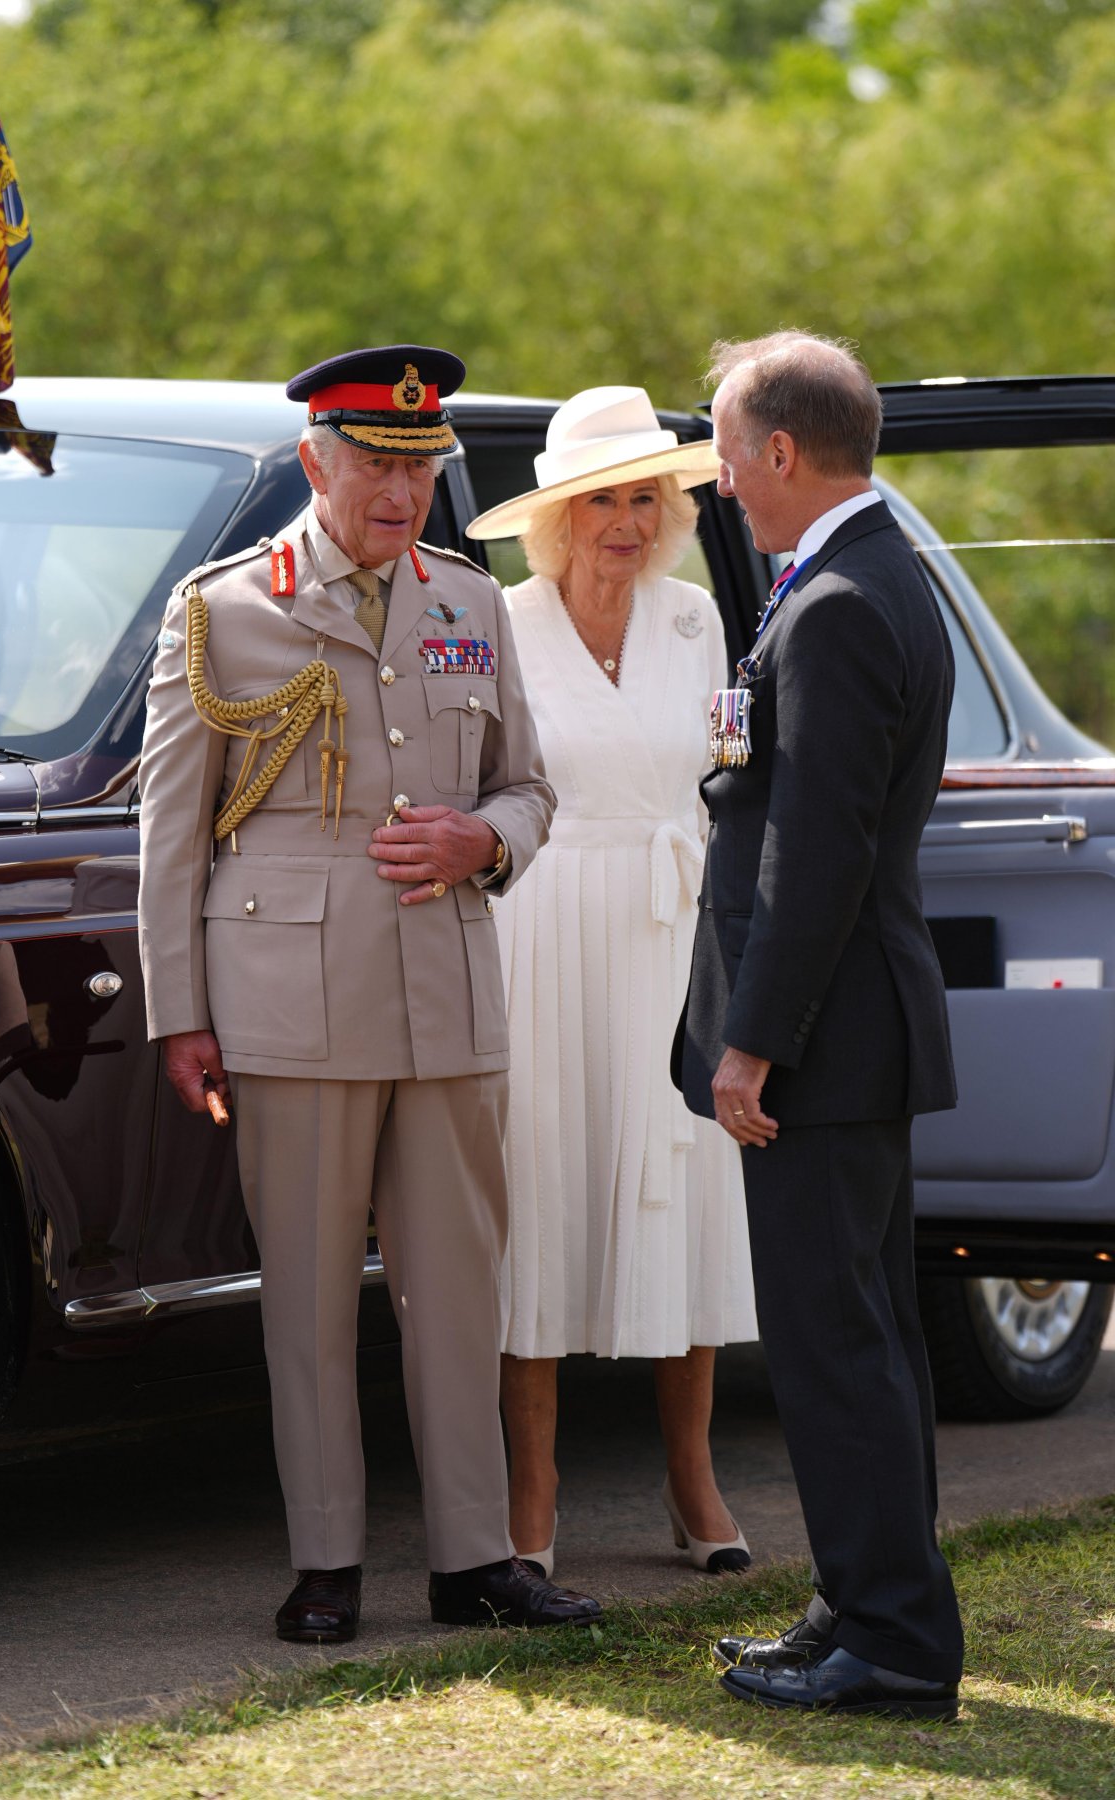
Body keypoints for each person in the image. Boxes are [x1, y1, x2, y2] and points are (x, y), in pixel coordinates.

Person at [138, 343, 602, 1643]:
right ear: (315, 465)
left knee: (459, 1289)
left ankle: (473, 1563)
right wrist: (182, 1014)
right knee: (306, 1298)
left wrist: (484, 840)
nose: (403, 494)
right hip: (290, 1001)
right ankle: (327, 1563)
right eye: (379, 467)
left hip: (447, 995)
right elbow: (173, 834)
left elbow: (532, 787)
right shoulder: (227, 610)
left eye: (422, 467)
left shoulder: (470, 598)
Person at [673, 332, 964, 1720]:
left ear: (781, 452)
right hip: (853, 1032)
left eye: (728, 454)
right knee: (867, 1339)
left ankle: (895, 1641)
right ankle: (865, 1602)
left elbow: (818, 851)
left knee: (835, 1346)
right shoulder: (872, 572)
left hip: (826, 1041)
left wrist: (752, 1040)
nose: (722, 483)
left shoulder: (842, 599)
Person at [466, 386, 757, 1579]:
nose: (628, 521)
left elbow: (731, 779)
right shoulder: (494, 619)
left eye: (647, 496)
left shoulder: (697, 622)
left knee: (682, 1188)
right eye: (603, 501)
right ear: (557, 519)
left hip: (675, 930)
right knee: (539, 1190)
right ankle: (529, 1493)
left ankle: (692, 1479)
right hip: (538, 927)